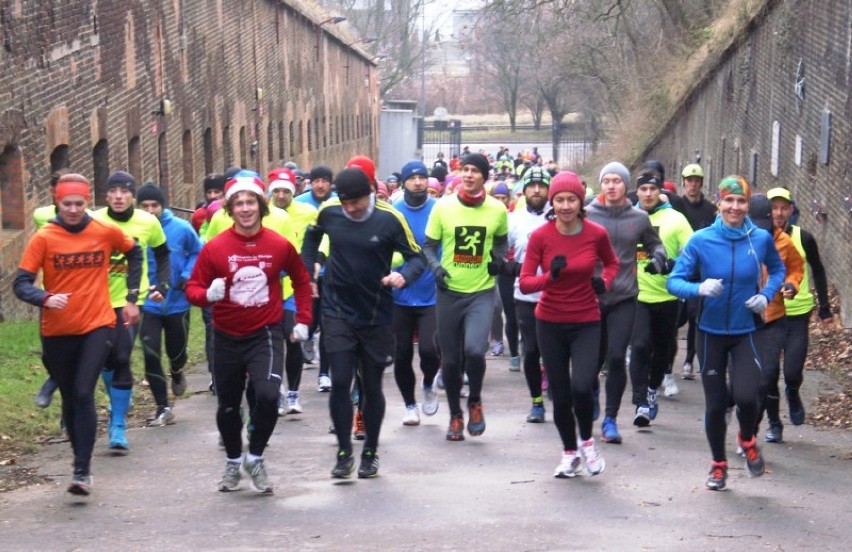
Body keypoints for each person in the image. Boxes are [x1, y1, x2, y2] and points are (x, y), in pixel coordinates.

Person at [14, 174, 143, 495]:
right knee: (71, 399)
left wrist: (130, 299)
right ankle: (79, 461)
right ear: (57, 203)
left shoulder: (103, 231)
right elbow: (21, 284)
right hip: (57, 331)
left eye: (79, 203)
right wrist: (44, 298)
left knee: (84, 392)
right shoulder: (45, 237)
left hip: (97, 325)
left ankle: (82, 472)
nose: (73, 209)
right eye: (66, 203)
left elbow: (135, 252)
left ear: (88, 202)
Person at [186, 173, 312, 493]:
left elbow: (300, 280)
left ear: (261, 205)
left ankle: (255, 456)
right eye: (238, 203)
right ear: (229, 209)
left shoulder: (278, 244)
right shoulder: (215, 248)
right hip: (226, 333)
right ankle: (232, 462)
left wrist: (303, 319)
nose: (245, 208)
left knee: (268, 397)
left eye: (250, 202)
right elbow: (193, 289)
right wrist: (207, 296)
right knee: (228, 406)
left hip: (265, 332)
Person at [302, 167, 426, 479]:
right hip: (337, 309)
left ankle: (370, 450)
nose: (351, 209)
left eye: (356, 202)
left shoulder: (389, 218)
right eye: (345, 203)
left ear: (370, 194)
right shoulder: (330, 211)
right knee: (341, 382)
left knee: (371, 386)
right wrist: (311, 267)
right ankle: (344, 452)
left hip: (375, 312)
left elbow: (417, 257)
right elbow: (311, 237)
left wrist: (403, 276)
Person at [667, 175, 785, 490]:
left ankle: (747, 439)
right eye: (729, 201)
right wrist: (699, 288)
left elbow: (778, 270)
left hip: (746, 330)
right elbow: (674, 281)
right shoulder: (701, 240)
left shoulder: (759, 238)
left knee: (748, 396)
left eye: (741, 201)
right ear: (719, 203)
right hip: (709, 332)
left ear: (747, 204)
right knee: (716, 405)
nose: (735, 207)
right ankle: (718, 465)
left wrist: (767, 294)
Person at [518, 172, 619, 477]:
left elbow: (613, 263)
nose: (565, 205)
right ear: (552, 202)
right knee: (560, 394)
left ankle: (587, 441)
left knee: (582, 386)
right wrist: (551, 277)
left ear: (580, 202)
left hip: (587, 320)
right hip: (549, 322)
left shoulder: (596, 233)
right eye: (559, 200)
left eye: (571, 199)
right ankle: (569, 453)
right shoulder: (540, 237)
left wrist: (605, 282)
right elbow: (524, 283)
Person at [423, 153, 509, 441]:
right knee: (449, 360)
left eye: (475, 171)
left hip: (481, 291)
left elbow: (501, 241)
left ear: (485, 177)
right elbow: (429, 246)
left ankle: (474, 400)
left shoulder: (497, 210)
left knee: (474, 350)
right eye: (466, 170)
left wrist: (497, 260)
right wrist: (436, 267)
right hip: (449, 291)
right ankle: (455, 417)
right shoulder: (442, 208)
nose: (469, 175)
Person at [586, 162, 667, 444]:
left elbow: (655, 244)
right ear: (601, 185)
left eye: (617, 181)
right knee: (593, 360)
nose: (611, 186)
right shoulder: (587, 214)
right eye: (606, 180)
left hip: (624, 296)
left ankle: (610, 419)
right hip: (592, 295)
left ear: (625, 185)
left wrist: (658, 257)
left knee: (618, 356)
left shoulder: (639, 217)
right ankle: (593, 391)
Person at [92, 171, 171, 452]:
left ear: (132, 196)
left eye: (124, 191)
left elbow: (163, 254)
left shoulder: (148, 222)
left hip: (130, 301)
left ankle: (118, 423)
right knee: (106, 358)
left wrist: (163, 282)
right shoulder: (95, 220)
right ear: (106, 195)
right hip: (97, 301)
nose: (118, 196)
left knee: (123, 355)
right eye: (112, 191)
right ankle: (120, 397)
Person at [629, 170, 693, 427]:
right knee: (641, 346)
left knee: (662, 353)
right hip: (636, 295)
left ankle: (653, 388)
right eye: (643, 189)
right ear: (637, 192)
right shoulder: (628, 217)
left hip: (668, 296)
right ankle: (640, 402)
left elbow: (692, 257)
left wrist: (672, 265)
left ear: (659, 192)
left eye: (652, 189)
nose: (647, 194)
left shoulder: (676, 220)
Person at [767, 187, 833, 435]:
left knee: (792, 372)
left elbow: (818, 269)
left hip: (797, 314)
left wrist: (824, 308)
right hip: (770, 315)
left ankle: (792, 392)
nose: (779, 212)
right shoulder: (759, 239)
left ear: (791, 210)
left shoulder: (804, 238)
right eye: (774, 207)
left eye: (784, 207)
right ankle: (774, 424)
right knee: (769, 373)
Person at [136, 183, 203, 426]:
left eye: (155, 205)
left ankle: (176, 371)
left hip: (177, 301)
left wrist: (187, 275)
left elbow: (198, 251)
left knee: (177, 351)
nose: (151, 210)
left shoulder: (181, 228)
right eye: (145, 206)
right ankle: (162, 406)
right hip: (147, 304)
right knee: (151, 353)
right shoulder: (135, 230)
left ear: (163, 206)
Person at [747, 194, 803, 443]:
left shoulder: (784, 241)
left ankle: (755, 429)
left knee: (768, 374)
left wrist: (791, 285)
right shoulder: (738, 237)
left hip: (773, 317)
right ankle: (756, 419)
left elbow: (796, 268)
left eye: (765, 225)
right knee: (747, 379)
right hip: (743, 319)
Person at [390, 160, 441, 426]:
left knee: (431, 350)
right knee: (401, 354)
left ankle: (429, 383)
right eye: (412, 178)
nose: (418, 182)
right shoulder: (393, 212)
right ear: (404, 183)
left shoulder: (439, 210)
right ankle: (410, 405)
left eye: (422, 177)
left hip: (431, 292)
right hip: (400, 295)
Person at [267, 167, 319, 415]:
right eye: (276, 191)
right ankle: (276, 391)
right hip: (268, 289)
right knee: (273, 342)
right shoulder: (262, 212)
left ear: (294, 190)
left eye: (285, 191)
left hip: (294, 287)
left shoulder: (308, 212)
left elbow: (324, 235)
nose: (280, 195)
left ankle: (294, 393)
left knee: (294, 338)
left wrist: (317, 259)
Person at [505, 166, 551, 421]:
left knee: (554, 351)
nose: (536, 190)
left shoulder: (558, 216)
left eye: (542, 186)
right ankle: (536, 402)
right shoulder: (514, 219)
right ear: (523, 190)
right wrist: (508, 266)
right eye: (532, 186)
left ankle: (555, 385)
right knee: (531, 351)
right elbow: (500, 250)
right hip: (525, 296)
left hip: (556, 295)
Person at [296, 164, 336, 389]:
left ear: (330, 183)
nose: (320, 185)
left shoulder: (338, 203)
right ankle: (309, 337)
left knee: (328, 323)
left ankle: (324, 373)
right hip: (307, 272)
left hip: (333, 274)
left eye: (324, 180)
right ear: (309, 183)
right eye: (316, 181)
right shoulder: (300, 203)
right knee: (311, 320)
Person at [676, 163, 717, 380]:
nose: (693, 184)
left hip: (699, 272)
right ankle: (664, 361)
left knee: (695, 317)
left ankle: (689, 360)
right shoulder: (676, 206)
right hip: (677, 268)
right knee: (675, 319)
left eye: (696, 181)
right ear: (683, 182)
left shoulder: (710, 210)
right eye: (689, 180)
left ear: (701, 183)